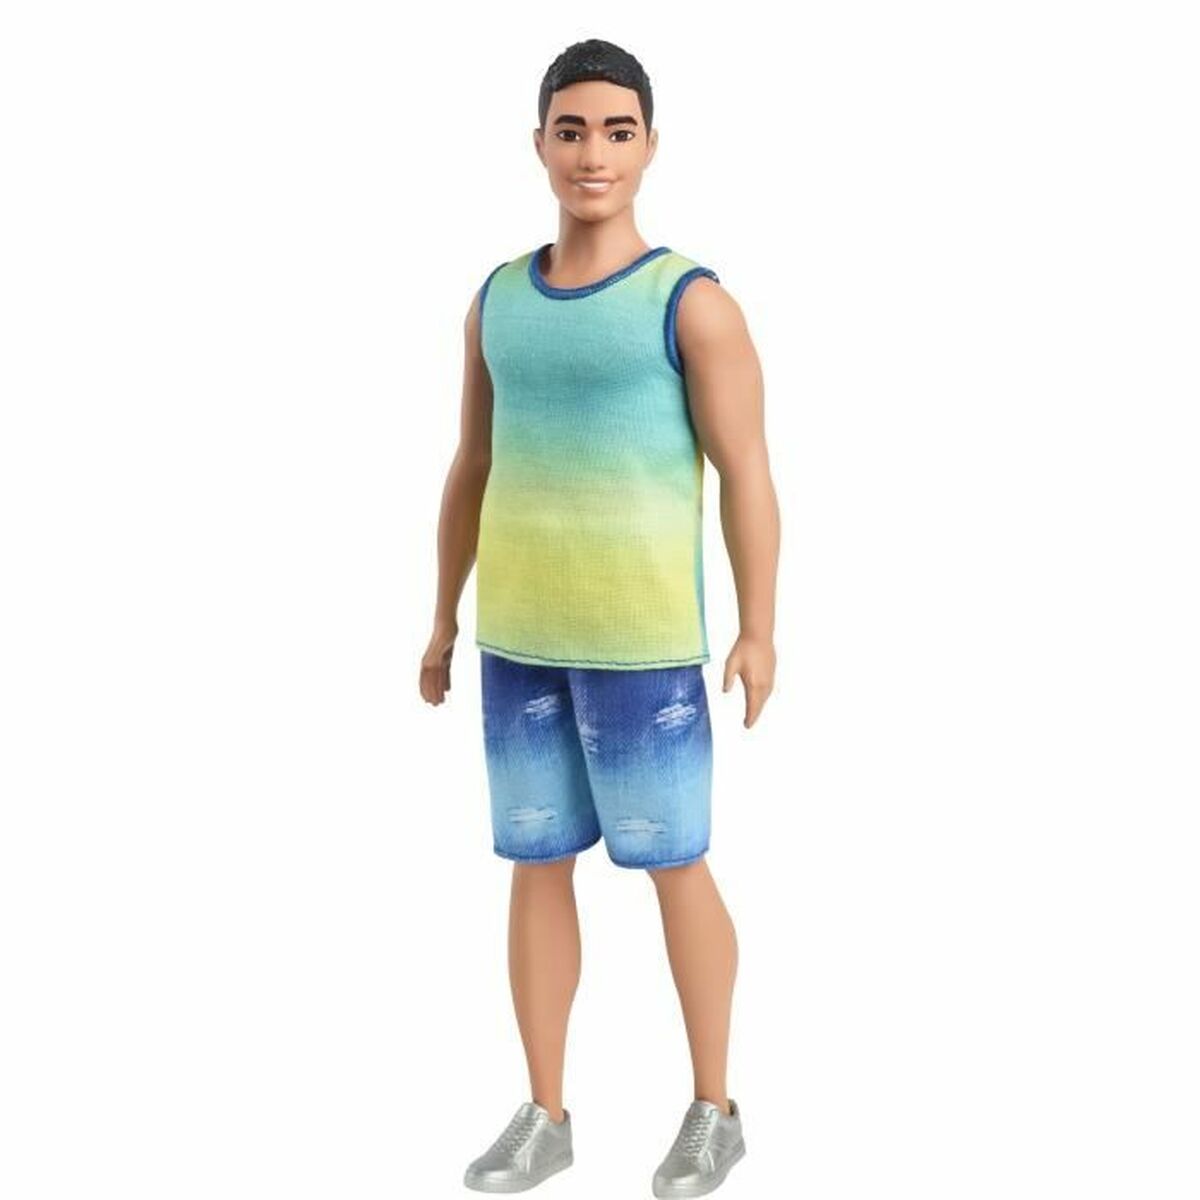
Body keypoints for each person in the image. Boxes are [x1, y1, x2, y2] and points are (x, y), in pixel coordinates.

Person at [420, 38, 780, 1197]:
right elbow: (472, 463)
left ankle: (716, 1106)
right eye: (571, 130)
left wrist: (759, 626)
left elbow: (748, 471)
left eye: (617, 131)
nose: (593, 154)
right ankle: (546, 1112)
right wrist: (443, 614)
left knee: (675, 865)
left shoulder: (692, 304)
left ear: (650, 146)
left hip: (642, 651)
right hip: (520, 639)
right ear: (539, 143)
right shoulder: (497, 300)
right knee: (535, 864)